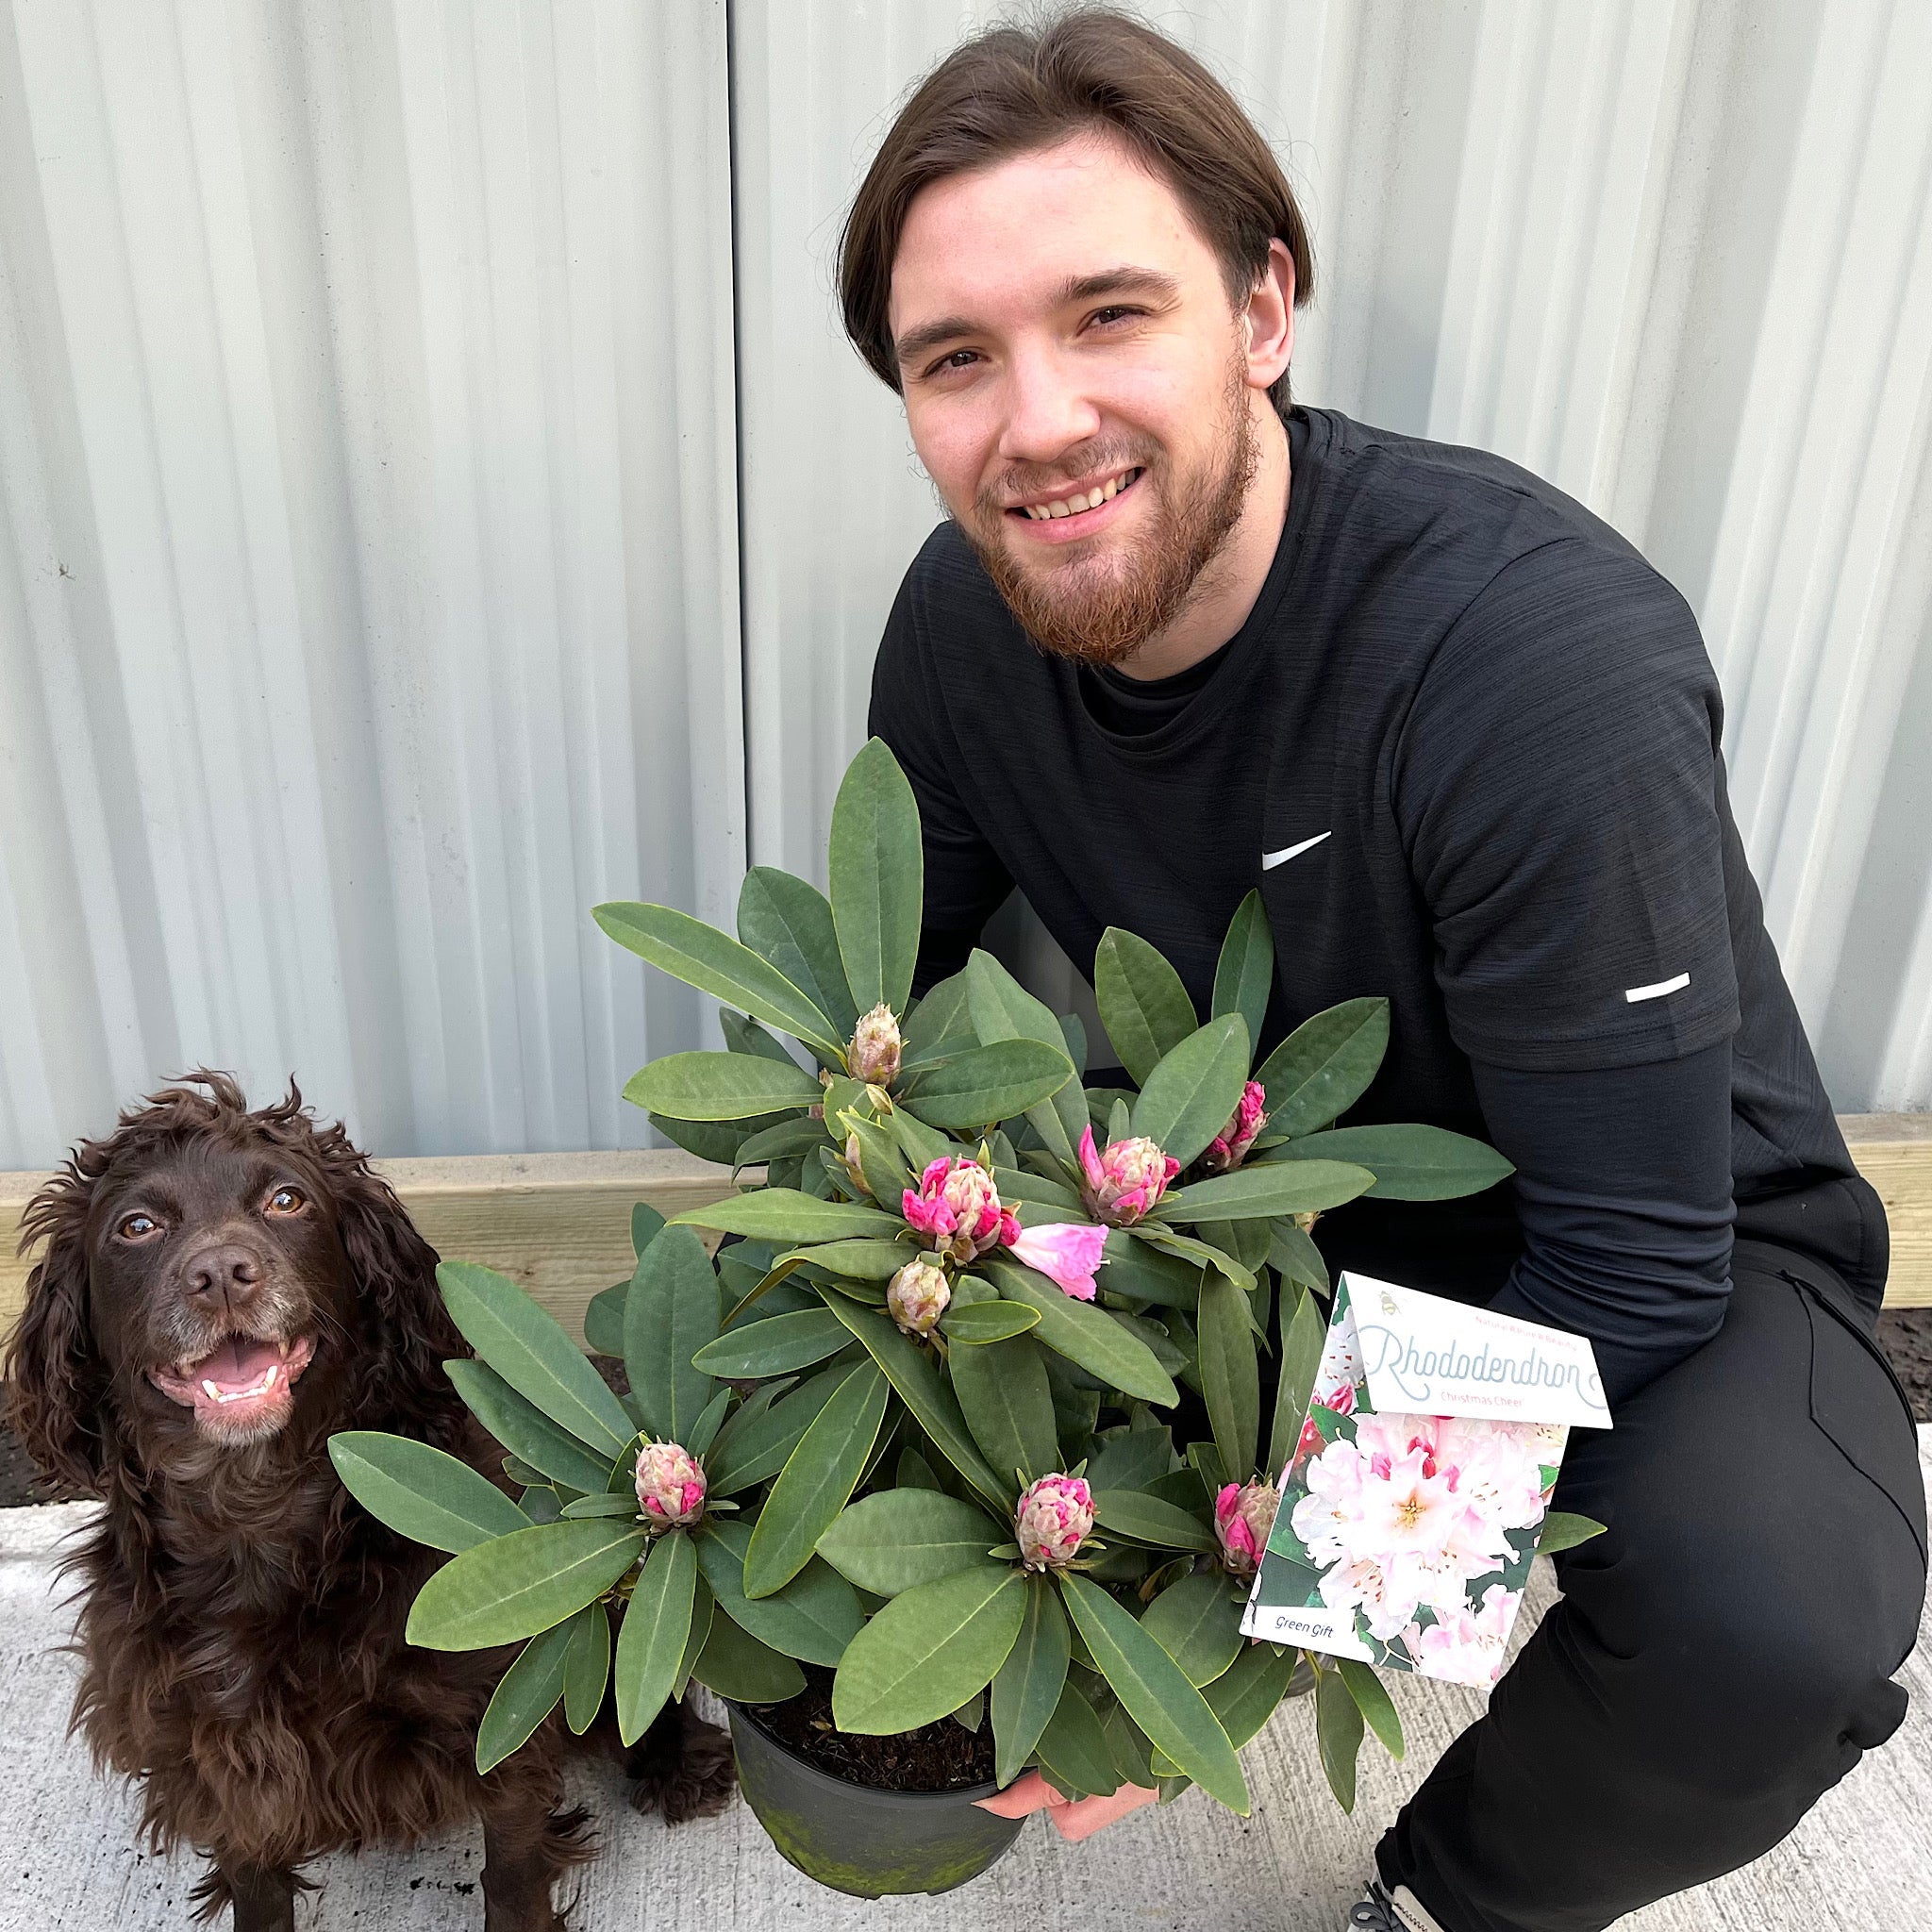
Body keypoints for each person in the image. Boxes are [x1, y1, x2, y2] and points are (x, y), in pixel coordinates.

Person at [837, 12, 1927, 1932]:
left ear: (1262, 306)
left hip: (1658, 1250)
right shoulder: (959, 626)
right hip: (1248, 1223)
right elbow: (886, 1031)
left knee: (1757, 1620)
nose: (1036, 420)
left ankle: (1442, 1897)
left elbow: (1631, 1268)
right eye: (956, 359)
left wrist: (1221, 1655)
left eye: (1111, 314)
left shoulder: (1527, 662)